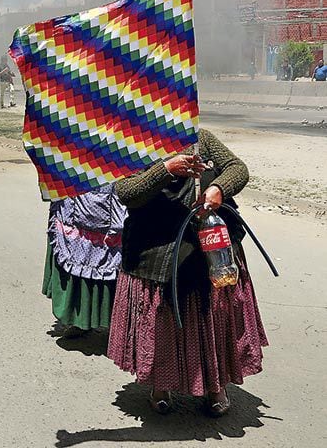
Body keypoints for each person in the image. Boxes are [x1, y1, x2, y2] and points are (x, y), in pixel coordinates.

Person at [107, 129, 267, 417]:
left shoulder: (201, 137)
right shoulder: (132, 140)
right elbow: (126, 192)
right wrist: (165, 169)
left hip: (210, 248)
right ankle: (160, 384)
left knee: (214, 319)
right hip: (156, 248)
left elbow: (237, 168)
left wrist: (219, 188)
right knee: (162, 324)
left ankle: (217, 385)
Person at [43, 184, 126, 337]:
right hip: (75, 190)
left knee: (107, 255)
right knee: (76, 251)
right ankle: (79, 319)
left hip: (106, 191)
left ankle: (113, 324)